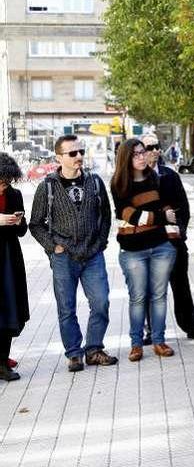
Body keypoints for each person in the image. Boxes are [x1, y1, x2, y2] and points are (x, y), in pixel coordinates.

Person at [30, 135, 117, 372]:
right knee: (66, 307)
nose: (78, 156)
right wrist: (53, 246)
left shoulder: (95, 182)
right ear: (59, 157)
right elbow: (35, 224)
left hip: (92, 255)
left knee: (101, 302)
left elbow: (106, 216)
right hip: (63, 257)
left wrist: (100, 242)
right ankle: (74, 354)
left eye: (80, 151)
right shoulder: (47, 187)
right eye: (72, 153)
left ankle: (94, 349)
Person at [112, 139, 179, 361]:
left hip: (161, 246)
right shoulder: (119, 183)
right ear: (126, 158)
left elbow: (168, 208)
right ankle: (136, 344)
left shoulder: (154, 178)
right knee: (138, 297)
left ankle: (159, 341)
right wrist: (158, 217)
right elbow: (126, 213)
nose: (142, 157)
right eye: (136, 154)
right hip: (133, 250)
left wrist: (158, 220)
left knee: (159, 296)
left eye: (143, 152)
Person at [140, 134, 194, 342]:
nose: (153, 150)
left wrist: (181, 230)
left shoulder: (170, 175)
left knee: (181, 284)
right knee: (151, 289)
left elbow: (183, 207)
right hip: (148, 242)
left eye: (156, 146)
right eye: (148, 147)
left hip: (174, 241)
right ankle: (152, 330)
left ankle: (191, 325)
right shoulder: (134, 178)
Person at [0, 154, 28, 381]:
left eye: (7, 182)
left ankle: (2, 361)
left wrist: (18, 220)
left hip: (9, 257)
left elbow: (22, 232)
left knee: (10, 309)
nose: (3, 186)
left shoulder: (14, 194)